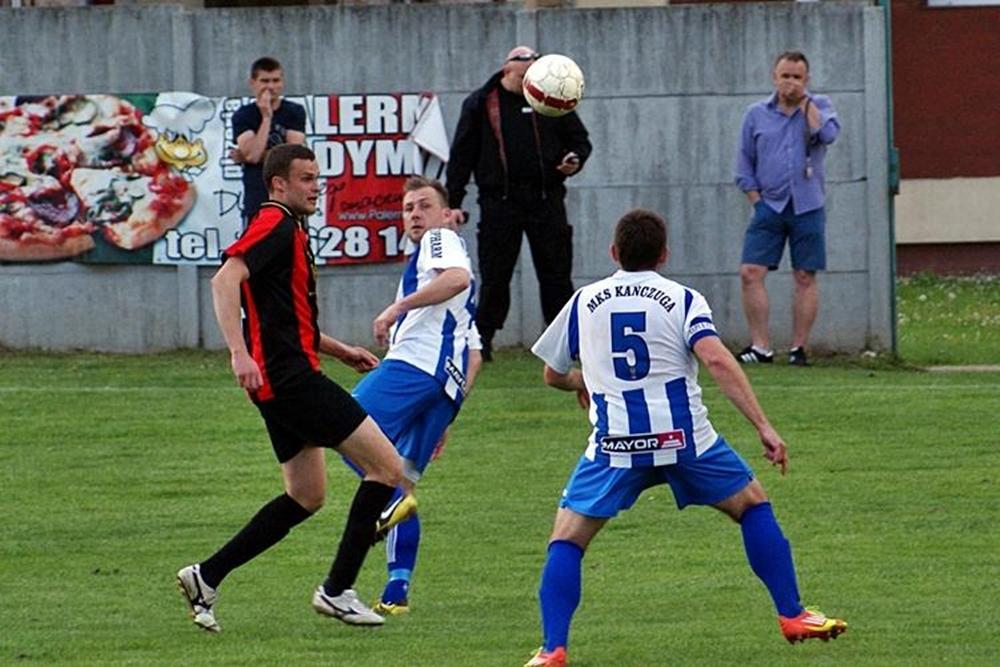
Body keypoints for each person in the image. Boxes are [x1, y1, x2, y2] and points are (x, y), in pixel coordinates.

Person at [523, 209, 847, 667]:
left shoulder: (584, 300)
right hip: (684, 438)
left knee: (567, 541)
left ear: (614, 253)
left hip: (614, 445)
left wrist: (586, 382)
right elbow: (715, 360)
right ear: (664, 254)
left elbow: (552, 375)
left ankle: (553, 648)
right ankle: (792, 614)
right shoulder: (682, 299)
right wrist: (764, 426)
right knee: (752, 506)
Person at [176, 144, 404, 632]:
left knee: (306, 495)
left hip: (280, 380)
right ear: (278, 184)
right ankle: (338, 589)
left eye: (317, 178)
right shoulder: (276, 222)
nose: (315, 186)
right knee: (387, 467)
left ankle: (206, 575)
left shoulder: (291, 230)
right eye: (305, 178)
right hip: (291, 380)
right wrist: (238, 353)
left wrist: (340, 350)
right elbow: (223, 281)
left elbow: (282, 321)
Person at [344, 175, 482, 616]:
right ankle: (396, 591)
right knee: (397, 478)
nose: (415, 214)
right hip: (445, 385)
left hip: (415, 366)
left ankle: (393, 505)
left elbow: (457, 278)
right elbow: (475, 350)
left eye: (425, 205)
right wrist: (447, 411)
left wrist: (396, 308)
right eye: (407, 209)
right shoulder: (428, 264)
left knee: (336, 422)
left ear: (447, 215)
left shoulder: (440, 242)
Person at [446, 45, 592, 362]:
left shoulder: (550, 98)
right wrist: (454, 201)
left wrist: (574, 160)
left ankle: (566, 344)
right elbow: (461, 155)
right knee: (495, 276)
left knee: (556, 275)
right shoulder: (481, 103)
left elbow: (580, 142)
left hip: (546, 199)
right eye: (526, 74)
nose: (532, 82)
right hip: (500, 203)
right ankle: (482, 341)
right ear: (507, 69)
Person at [734, 50, 840, 367]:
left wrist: (806, 104)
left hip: (808, 205)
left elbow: (828, 135)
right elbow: (743, 162)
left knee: (805, 276)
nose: (790, 82)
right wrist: (756, 200)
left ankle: (798, 348)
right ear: (774, 77)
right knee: (750, 273)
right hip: (769, 205)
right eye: (785, 76)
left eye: (797, 77)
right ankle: (760, 347)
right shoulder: (756, 114)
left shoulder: (820, 106)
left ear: (806, 80)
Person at [230, 57, 307, 227]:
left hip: (290, 198)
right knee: (257, 251)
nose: (270, 87)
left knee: (294, 251)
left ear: (282, 82)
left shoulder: (294, 112)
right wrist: (266, 117)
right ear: (253, 83)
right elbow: (253, 155)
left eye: (275, 80)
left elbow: (292, 155)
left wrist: (246, 156)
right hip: (258, 197)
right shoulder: (244, 115)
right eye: (264, 81)